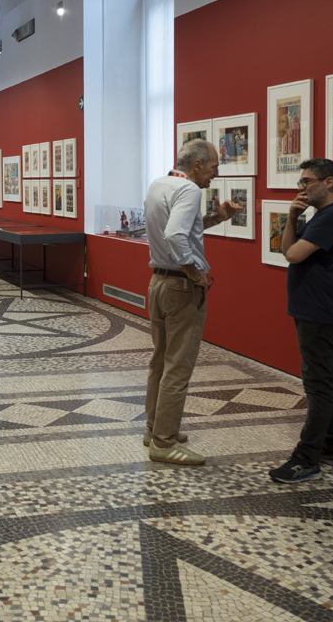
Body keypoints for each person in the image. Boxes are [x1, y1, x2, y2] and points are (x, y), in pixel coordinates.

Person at [142, 139, 237, 465]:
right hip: (181, 288)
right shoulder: (190, 191)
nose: (215, 174)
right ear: (196, 165)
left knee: (160, 360)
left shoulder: (159, 184)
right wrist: (194, 272)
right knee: (178, 366)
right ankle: (164, 443)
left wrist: (216, 218)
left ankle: (154, 427)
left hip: (158, 282)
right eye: (213, 167)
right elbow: (175, 235)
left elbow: (181, 230)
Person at [269, 157, 333, 484]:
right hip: (321, 311)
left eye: (307, 181)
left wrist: (294, 217)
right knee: (331, 380)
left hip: (322, 313)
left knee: (318, 386)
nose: (301, 187)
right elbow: (287, 248)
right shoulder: (323, 215)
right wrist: (293, 217)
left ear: (329, 182)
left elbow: (293, 255)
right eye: (301, 182)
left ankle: (306, 459)